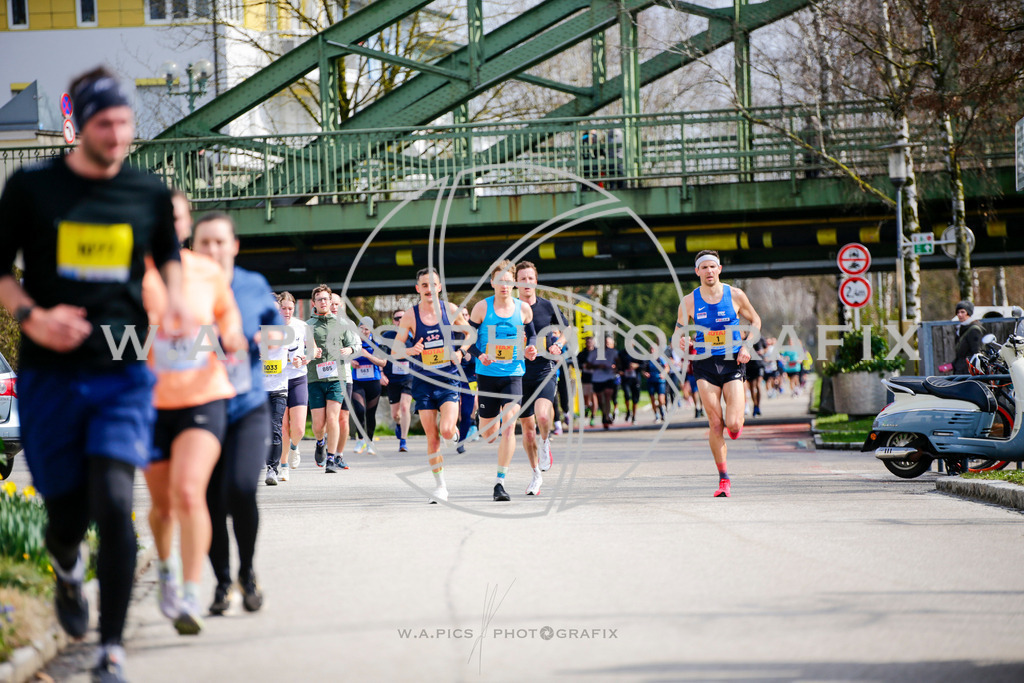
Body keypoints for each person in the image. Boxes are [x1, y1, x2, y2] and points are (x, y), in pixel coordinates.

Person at [0, 66, 187, 681]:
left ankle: (111, 647)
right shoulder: (32, 189)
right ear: (80, 125)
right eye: (105, 123)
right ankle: (67, 567)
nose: (117, 134)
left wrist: (179, 304)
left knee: (113, 498)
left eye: (126, 122)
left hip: (122, 371)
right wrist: (33, 316)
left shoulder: (148, 193)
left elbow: (169, 260)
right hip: (52, 373)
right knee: (64, 514)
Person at [142, 196, 245, 636]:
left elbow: (229, 322)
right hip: (148, 403)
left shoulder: (207, 271)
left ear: (184, 224)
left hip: (204, 396)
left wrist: (234, 338)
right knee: (163, 507)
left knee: (189, 493)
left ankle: (190, 593)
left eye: (175, 216)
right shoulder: (132, 272)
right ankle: (165, 570)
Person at [191, 213, 282, 616]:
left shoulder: (253, 285)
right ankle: (222, 583)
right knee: (210, 500)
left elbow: (279, 330)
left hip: (247, 405)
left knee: (242, 488)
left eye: (219, 242)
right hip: (201, 406)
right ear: (193, 247)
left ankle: (246, 572)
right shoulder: (184, 288)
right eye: (204, 242)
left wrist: (265, 339)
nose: (212, 249)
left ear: (234, 246)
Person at [677, 249, 761, 498]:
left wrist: (747, 346)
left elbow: (755, 321)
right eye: (704, 267)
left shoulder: (735, 295)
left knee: (733, 424)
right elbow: (680, 328)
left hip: (732, 360)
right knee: (715, 423)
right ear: (697, 272)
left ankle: (736, 426)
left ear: (719, 269)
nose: (709, 271)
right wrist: (683, 340)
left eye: (713, 266)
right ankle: (724, 479)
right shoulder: (689, 300)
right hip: (703, 362)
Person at [394, 268, 468, 503]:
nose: (428, 289)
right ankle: (440, 487)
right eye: (423, 285)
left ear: (439, 287)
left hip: (448, 379)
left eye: (432, 285)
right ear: (418, 289)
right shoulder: (410, 315)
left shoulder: (450, 310)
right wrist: (410, 350)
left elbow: (470, 334)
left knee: (446, 430)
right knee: (432, 437)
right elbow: (395, 348)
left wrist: (461, 350)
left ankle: (454, 433)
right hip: (423, 383)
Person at [467, 260, 538, 500]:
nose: (505, 286)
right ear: (492, 283)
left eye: (509, 282)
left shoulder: (523, 309)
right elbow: (468, 340)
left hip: (513, 375)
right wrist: (480, 355)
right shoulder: (481, 308)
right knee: (489, 435)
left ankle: (500, 483)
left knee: (509, 425)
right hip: (487, 376)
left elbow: (534, 337)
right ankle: (485, 418)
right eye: (500, 281)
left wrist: (531, 349)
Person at [515, 261, 567, 477]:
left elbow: (567, 330)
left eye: (530, 278)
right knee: (527, 431)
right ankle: (536, 473)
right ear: (516, 282)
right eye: (523, 279)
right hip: (517, 374)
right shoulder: (510, 309)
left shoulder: (548, 306)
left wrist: (558, 344)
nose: (527, 283)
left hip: (544, 369)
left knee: (543, 417)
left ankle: (545, 442)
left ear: (536, 281)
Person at [307, 286, 359, 473]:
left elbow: (354, 345)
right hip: (315, 378)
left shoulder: (342, 323)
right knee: (319, 425)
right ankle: (320, 442)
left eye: (325, 299)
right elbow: (302, 350)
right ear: (314, 303)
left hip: (337, 378)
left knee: (333, 418)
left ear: (330, 302)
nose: (323, 302)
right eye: (319, 299)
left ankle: (331, 458)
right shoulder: (308, 325)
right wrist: (310, 353)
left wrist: (350, 350)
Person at [277, 292, 314, 471]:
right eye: (283, 308)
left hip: (298, 378)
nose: (287, 312)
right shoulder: (270, 327)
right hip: (279, 379)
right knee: (283, 426)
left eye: (290, 308)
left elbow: (313, 351)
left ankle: (294, 447)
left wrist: (304, 358)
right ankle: (283, 464)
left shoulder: (302, 326)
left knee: (298, 428)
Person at [262, 295, 290, 485]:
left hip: (279, 389)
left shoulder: (288, 332)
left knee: (275, 428)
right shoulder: (250, 330)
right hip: (258, 390)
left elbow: (299, 354)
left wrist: (301, 358)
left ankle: (272, 469)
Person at [351, 316, 387, 455]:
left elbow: (383, 362)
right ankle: (360, 439)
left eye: (367, 329)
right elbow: (342, 356)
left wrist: (367, 356)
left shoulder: (377, 342)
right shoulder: (353, 341)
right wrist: (351, 362)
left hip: (373, 381)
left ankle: (370, 442)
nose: (364, 331)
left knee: (371, 414)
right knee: (360, 410)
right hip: (357, 381)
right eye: (362, 328)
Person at [381, 309, 413, 452]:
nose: (400, 320)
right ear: (393, 321)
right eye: (397, 318)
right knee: (395, 415)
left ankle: (403, 441)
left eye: (403, 317)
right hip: (392, 378)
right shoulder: (386, 336)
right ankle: (399, 425)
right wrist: (381, 373)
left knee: (405, 407)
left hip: (409, 377)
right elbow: (379, 356)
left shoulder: (414, 335)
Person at [587, 335, 619, 429]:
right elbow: (588, 366)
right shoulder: (594, 352)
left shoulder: (613, 352)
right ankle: (604, 413)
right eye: (605, 343)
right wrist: (598, 366)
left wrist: (615, 368)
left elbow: (619, 363)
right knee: (600, 399)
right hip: (597, 378)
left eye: (608, 343)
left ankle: (606, 416)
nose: (606, 345)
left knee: (608, 395)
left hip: (609, 377)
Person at [952, 301, 984, 375]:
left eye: (962, 312)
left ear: (968, 313)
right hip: (960, 369)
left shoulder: (974, 330)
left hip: (968, 371)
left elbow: (976, 353)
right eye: (958, 312)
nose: (959, 315)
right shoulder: (961, 329)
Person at [643, 344, 669, 423]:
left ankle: (663, 411)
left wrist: (663, 373)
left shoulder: (661, 358)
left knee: (661, 399)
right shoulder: (647, 360)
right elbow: (643, 370)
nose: (652, 351)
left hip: (660, 381)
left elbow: (667, 367)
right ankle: (656, 415)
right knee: (652, 399)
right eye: (651, 349)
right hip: (651, 381)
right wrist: (645, 374)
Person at [576, 335, 597, 426]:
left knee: (594, 396)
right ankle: (587, 408)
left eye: (590, 342)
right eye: (587, 342)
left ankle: (593, 416)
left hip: (596, 378)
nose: (589, 344)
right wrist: (583, 366)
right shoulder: (582, 354)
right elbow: (576, 364)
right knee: (586, 399)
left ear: (593, 342)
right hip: (585, 378)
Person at [618, 344, 641, 424]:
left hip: (635, 379)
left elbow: (644, 364)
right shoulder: (621, 353)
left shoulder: (638, 353)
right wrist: (619, 370)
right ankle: (628, 411)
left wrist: (637, 365)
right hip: (625, 379)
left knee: (635, 399)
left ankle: (634, 416)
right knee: (627, 396)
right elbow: (617, 364)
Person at [746, 337, 767, 417]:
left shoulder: (760, 339)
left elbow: (766, 348)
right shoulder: (745, 339)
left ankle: (758, 405)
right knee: (751, 387)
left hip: (759, 364)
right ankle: (755, 405)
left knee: (758, 384)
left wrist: (763, 351)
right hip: (749, 365)